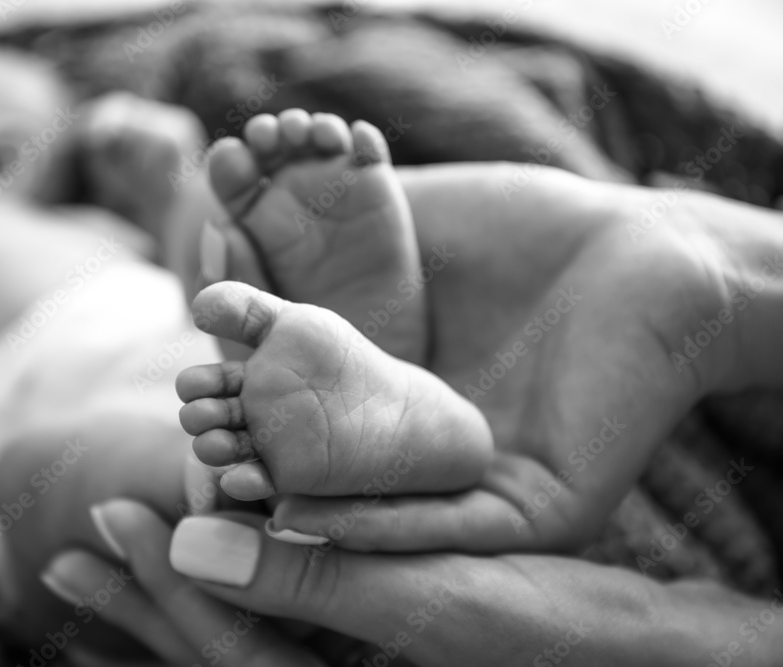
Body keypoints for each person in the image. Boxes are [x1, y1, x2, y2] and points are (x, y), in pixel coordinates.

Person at [46, 152, 783, 664]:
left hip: (186, 363)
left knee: (63, 468)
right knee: (49, 466)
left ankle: (271, 446)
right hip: (146, 380)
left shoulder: (35, 210)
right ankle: (368, 396)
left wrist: (160, 183)